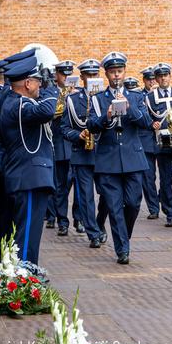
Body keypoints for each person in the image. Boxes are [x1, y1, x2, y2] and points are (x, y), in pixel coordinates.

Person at [88, 51, 151, 264]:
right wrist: (105, 117)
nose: (116, 75)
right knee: (114, 208)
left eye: (120, 71)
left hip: (133, 159)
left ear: (124, 72)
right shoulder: (97, 99)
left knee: (133, 204)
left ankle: (124, 235)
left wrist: (129, 107)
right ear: (106, 74)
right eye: (113, 72)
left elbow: (146, 123)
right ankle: (122, 249)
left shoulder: (136, 96)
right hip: (108, 161)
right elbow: (91, 126)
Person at [0, 55, 56, 265]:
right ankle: (23, 280)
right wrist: (52, 87)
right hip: (28, 177)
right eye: (38, 80)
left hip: (29, 175)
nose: (41, 84)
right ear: (27, 83)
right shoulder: (17, 104)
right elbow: (47, 110)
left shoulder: (16, 101)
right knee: (27, 234)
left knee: (28, 233)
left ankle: (27, 276)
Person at [60, 59, 107, 248]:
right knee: (86, 196)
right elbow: (64, 128)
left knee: (107, 194)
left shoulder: (106, 98)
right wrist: (76, 134)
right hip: (82, 153)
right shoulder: (72, 100)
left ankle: (99, 222)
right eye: (89, 75)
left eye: (95, 75)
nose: (93, 78)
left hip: (103, 153)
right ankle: (93, 233)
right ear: (82, 77)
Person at [145, 62, 172, 227]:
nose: (163, 78)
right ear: (156, 78)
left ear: (170, 76)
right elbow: (146, 116)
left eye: (166, 75)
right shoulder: (149, 98)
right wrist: (151, 123)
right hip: (162, 142)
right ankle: (170, 212)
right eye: (160, 76)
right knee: (166, 178)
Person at [49, 60, 77, 236]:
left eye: (69, 74)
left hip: (76, 144)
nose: (66, 78)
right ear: (56, 75)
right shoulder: (49, 92)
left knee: (79, 185)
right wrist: (64, 97)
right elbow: (51, 114)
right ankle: (62, 221)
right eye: (63, 74)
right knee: (61, 185)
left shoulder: (80, 93)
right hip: (59, 144)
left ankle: (79, 219)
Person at [139, 67, 160, 220]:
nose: (152, 82)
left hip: (163, 139)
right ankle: (154, 207)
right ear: (144, 81)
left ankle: (163, 199)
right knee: (149, 176)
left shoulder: (164, 95)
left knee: (169, 175)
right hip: (146, 138)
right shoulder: (140, 96)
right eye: (149, 79)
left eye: (154, 79)